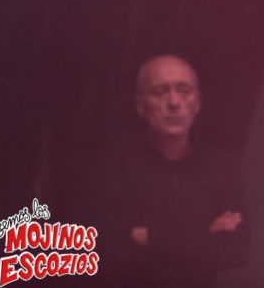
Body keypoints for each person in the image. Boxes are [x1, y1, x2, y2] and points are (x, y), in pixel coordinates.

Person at [94, 54, 247, 287]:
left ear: (197, 102)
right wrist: (202, 234)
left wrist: (150, 236)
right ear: (140, 105)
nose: (174, 102)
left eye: (184, 90)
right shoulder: (114, 166)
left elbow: (236, 250)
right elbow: (110, 255)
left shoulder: (221, 168)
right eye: (160, 92)